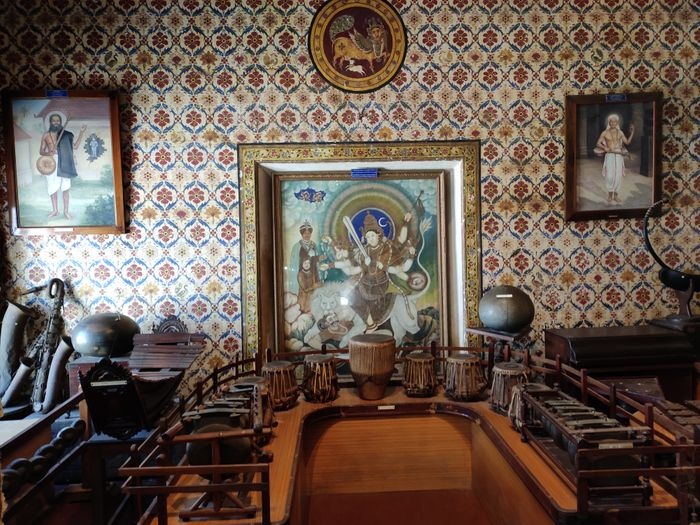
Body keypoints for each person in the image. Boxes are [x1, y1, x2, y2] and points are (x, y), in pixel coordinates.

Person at [39, 113, 86, 219]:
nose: (56, 122)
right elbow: (41, 151)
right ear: (50, 122)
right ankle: (55, 210)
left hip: (65, 161)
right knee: (52, 188)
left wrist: (81, 132)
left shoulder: (66, 135)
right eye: (53, 120)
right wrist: (48, 153)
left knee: (65, 188)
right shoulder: (46, 135)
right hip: (52, 162)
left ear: (60, 122)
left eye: (58, 120)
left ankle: (66, 211)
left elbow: (75, 146)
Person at [595, 113, 634, 205]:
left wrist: (632, 132)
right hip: (610, 156)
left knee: (618, 175)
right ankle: (610, 195)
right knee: (610, 176)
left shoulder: (620, 132)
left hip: (619, 155)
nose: (613, 123)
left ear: (617, 123)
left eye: (615, 122)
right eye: (611, 122)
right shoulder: (605, 132)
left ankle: (616, 195)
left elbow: (627, 142)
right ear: (609, 122)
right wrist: (605, 148)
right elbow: (598, 143)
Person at [288, 220, 321, 310]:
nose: (307, 235)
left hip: (313, 272)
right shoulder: (297, 246)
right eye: (305, 233)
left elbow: (315, 260)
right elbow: (294, 262)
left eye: (308, 233)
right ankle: (303, 308)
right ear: (302, 234)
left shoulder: (314, 245)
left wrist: (319, 258)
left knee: (313, 293)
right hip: (302, 273)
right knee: (304, 292)